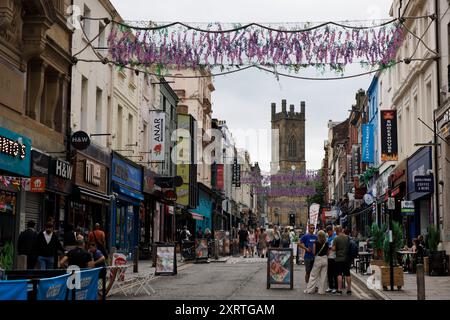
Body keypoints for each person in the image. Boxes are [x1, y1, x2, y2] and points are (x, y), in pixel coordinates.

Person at [304, 230, 329, 295]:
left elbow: (314, 252)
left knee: (313, 275)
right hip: (325, 259)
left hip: (318, 259)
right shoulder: (326, 242)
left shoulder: (316, 242)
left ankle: (310, 290)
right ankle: (322, 291)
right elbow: (328, 253)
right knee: (323, 276)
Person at [332, 225, 352, 295]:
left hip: (339, 259)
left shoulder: (336, 238)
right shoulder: (347, 237)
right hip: (347, 259)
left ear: (337, 231)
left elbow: (333, 249)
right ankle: (349, 290)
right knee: (347, 274)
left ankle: (339, 290)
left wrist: (333, 247)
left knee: (339, 274)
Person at [326, 225, 337, 293]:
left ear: (332, 231)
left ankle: (335, 287)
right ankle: (330, 287)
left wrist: (329, 248)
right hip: (329, 257)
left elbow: (335, 248)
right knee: (329, 273)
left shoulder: (335, 237)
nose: (328, 233)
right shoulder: (328, 238)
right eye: (327, 232)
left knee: (334, 273)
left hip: (334, 257)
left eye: (329, 232)